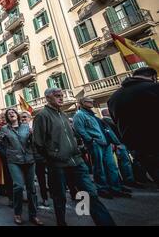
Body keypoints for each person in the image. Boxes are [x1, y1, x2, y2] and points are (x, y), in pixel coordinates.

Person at [33, 88, 115, 226]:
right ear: (48, 98)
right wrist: (52, 158)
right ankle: (61, 222)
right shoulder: (42, 116)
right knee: (60, 198)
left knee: (90, 194)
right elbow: (38, 143)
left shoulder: (64, 115)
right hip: (58, 165)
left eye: (61, 96)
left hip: (77, 161)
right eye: (57, 96)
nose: (61, 98)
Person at [108, 67, 159, 189]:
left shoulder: (113, 98)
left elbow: (116, 124)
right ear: (153, 77)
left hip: (138, 148)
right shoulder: (153, 88)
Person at [73, 97, 131, 199]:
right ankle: (102, 189)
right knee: (99, 167)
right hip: (95, 144)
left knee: (111, 166)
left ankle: (115, 188)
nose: (91, 102)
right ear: (82, 103)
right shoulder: (79, 115)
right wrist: (91, 140)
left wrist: (112, 141)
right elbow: (79, 130)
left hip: (106, 143)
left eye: (92, 100)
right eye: (88, 101)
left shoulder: (93, 115)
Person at [0, 109, 43, 226]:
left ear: (17, 115)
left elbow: (34, 143)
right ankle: (17, 213)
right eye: (8, 113)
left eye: (13, 112)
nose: (11, 113)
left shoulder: (26, 127)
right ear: (7, 117)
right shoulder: (4, 129)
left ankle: (33, 215)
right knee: (19, 186)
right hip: (14, 161)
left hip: (29, 160)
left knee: (31, 188)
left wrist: (33, 135)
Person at [101, 108, 142, 189]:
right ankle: (129, 180)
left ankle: (131, 178)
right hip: (118, 143)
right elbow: (112, 132)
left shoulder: (108, 120)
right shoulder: (106, 120)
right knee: (125, 161)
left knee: (125, 161)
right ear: (106, 113)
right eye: (109, 111)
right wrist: (115, 143)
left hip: (120, 143)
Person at [21, 111, 49, 207]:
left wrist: (33, 134)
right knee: (29, 181)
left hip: (38, 157)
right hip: (26, 158)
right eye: (21, 118)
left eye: (25, 117)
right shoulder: (19, 129)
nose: (23, 119)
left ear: (30, 118)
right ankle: (33, 199)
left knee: (41, 178)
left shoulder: (35, 127)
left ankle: (45, 198)